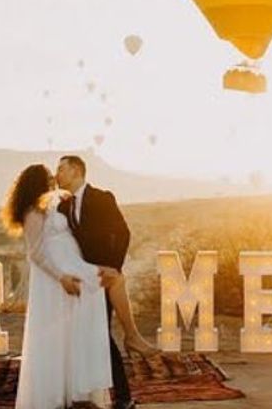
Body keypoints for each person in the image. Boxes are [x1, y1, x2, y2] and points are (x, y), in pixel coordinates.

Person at [2, 163, 124, 408]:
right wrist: (61, 277)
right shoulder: (33, 212)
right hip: (54, 278)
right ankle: (57, 394)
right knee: (56, 334)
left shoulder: (53, 204)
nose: (54, 178)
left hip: (72, 266)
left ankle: (82, 383)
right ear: (38, 183)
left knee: (74, 328)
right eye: (49, 176)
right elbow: (35, 254)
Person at [55, 155, 159, 409]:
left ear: (76, 171)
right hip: (81, 279)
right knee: (99, 335)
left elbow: (123, 233)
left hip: (102, 279)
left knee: (102, 333)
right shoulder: (63, 207)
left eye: (61, 169)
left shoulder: (103, 198)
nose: (57, 173)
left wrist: (114, 267)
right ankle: (117, 391)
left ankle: (123, 396)